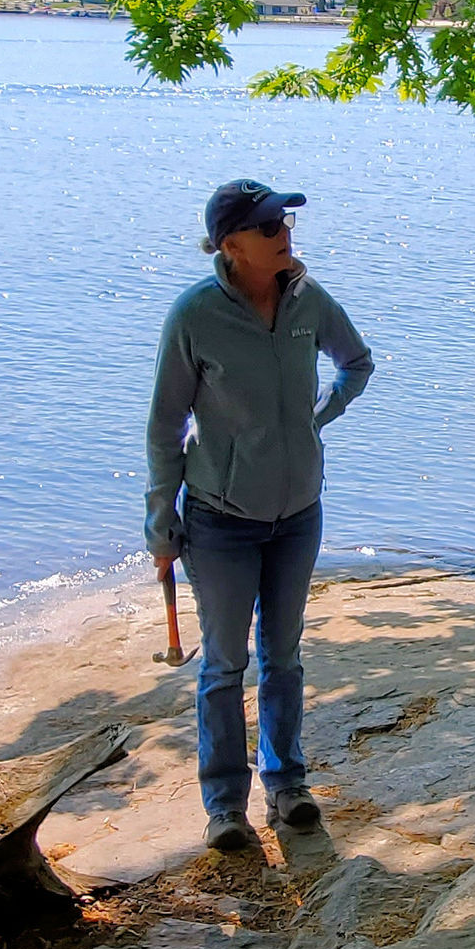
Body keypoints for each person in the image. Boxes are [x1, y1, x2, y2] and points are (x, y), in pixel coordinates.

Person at [147, 179, 377, 853]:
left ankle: (288, 786)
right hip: (220, 519)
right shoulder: (194, 316)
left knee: (284, 656)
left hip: (299, 514)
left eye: (285, 222)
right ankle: (225, 804)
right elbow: (164, 425)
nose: (285, 233)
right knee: (224, 663)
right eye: (270, 225)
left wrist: (317, 420)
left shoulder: (308, 300)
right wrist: (161, 520)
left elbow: (356, 364)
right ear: (231, 244)